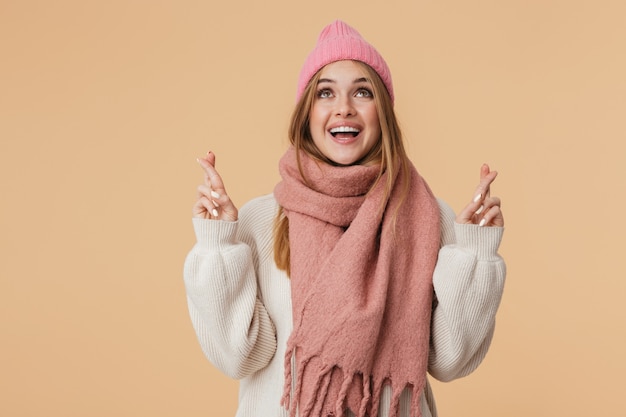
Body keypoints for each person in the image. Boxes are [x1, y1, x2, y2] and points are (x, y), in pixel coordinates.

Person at [184, 20, 506, 417]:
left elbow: (449, 360)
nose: (344, 108)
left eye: (362, 91)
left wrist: (476, 254)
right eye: (325, 93)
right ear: (307, 114)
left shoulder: (426, 217)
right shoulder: (262, 219)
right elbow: (241, 357)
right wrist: (216, 245)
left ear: (382, 112)